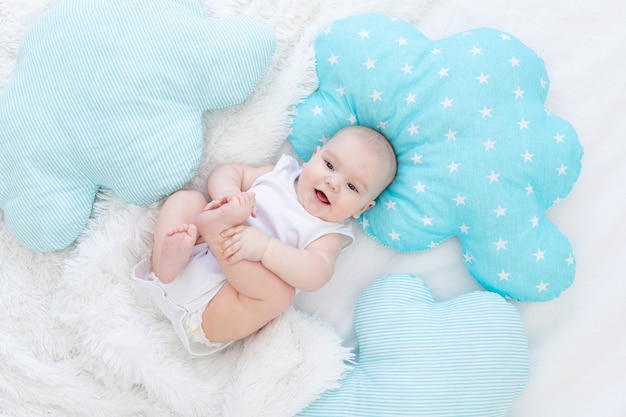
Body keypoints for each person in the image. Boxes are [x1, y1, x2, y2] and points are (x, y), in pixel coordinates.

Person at [133, 125, 397, 355]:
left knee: (278, 296)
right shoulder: (279, 173)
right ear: (313, 157)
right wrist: (229, 194)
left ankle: (217, 233)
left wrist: (266, 249)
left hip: (213, 310)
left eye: (352, 187)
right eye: (329, 165)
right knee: (186, 200)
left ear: (363, 207)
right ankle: (166, 264)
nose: (333, 182)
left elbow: (317, 274)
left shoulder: (328, 233)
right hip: (189, 260)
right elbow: (229, 171)